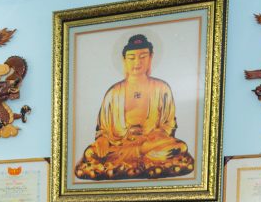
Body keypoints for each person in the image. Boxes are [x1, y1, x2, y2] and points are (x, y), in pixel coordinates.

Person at [75, 33, 195, 181]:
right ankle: (144, 160)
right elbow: (103, 129)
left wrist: (153, 136)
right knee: (90, 152)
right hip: (120, 145)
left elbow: (169, 124)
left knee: (180, 147)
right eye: (131, 58)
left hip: (150, 144)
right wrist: (102, 140)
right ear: (124, 60)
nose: (137, 62)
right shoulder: (113, 92)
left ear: (151, 57)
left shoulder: (162, 88)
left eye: (143, 56)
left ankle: (132, 161)